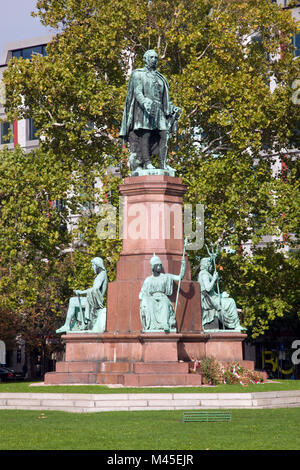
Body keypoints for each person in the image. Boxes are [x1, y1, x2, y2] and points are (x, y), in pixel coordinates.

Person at [119, 49, 181, 171]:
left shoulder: (160, 77)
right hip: (144, 109)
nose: (154, 60)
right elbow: (137, 92)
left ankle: (163, 164)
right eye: (151, 57)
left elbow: (164, 98)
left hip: (159, 110)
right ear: (145, 59)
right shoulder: (138, 74)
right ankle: (147, 163)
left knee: (164, 134)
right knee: (145, 134)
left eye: (156, 58)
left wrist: (171, 107)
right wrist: (144, 102)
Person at [56, 257, 108, 333]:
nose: (92, 267)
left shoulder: (101, 275)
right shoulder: (102, 274)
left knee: (72, 301)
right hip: (94, 299)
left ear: (98, 265)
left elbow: (95, 289)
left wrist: (82, 292)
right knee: (73, 300)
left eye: (93, 265)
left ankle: (67, 326)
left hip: (95, 302)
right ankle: (72, 325)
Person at [139, 253, 186, 332]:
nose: (159, 267)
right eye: (157, 265)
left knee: (164, 303)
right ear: (152, 267)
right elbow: (142, 293)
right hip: (152, 298)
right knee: (149, 303)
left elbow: (180, 277)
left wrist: (183, 265)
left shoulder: (166, 276)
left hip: (163, 297)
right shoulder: (148, 280)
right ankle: (152, 326)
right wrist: (143, 298)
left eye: (160, 265)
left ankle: (165, 324)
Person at [198, 257, 243, 331]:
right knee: (231, 301)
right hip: (209, 300)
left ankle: (235, 325)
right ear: (207, 265)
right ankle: (236, 325)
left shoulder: (204, 273)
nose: (211, 266)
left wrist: (221, 295)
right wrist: (214, 279)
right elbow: (208, 288)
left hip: (212, 297)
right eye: (210, 264)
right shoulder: (204, 274)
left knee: (228, 299)